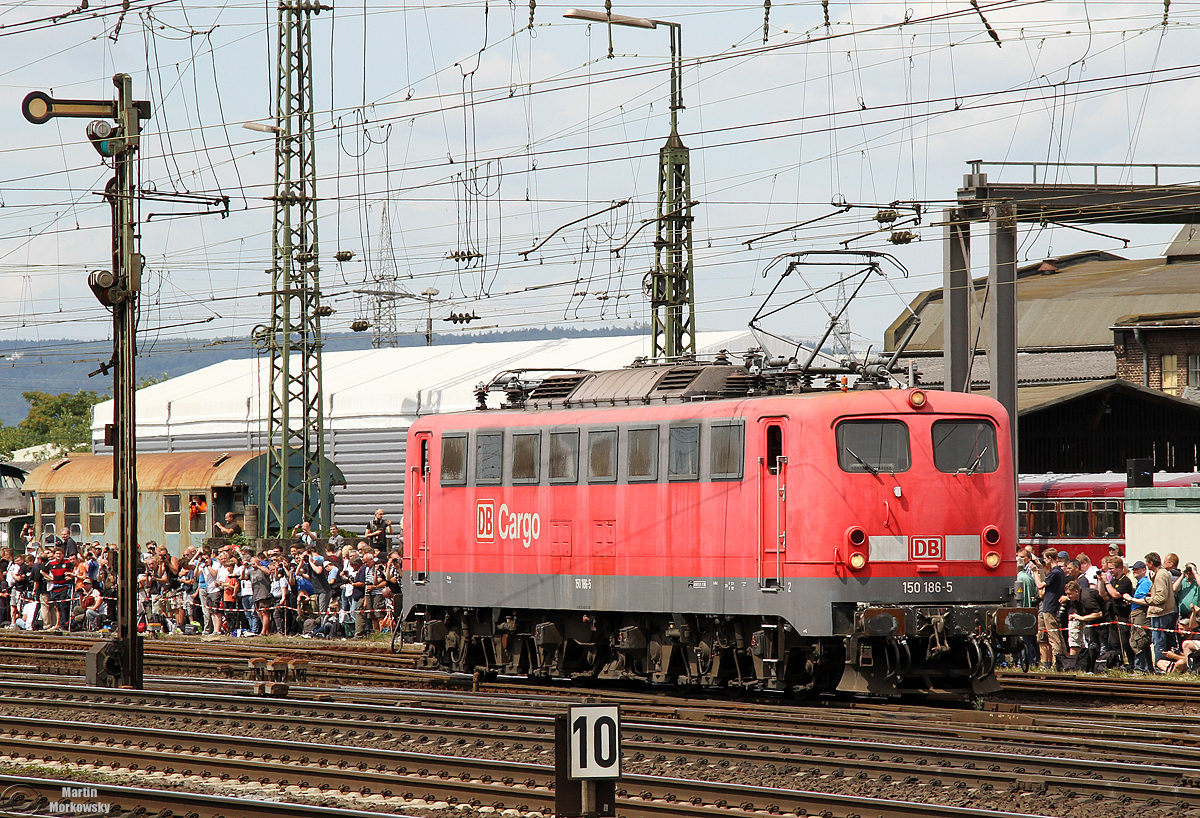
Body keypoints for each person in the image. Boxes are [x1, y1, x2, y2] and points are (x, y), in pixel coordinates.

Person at [1034, 548, 1067, 668]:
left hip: (1050, 607)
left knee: (1053, 637)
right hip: (1048, 606)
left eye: (1045, 559)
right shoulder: (1057, 572)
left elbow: (1040, 585)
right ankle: (1050, 663)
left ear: (1049, 558)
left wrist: (1034, 573)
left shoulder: (1055, 572)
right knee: (1046, 636)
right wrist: (1040, 569)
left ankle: (1057, 663)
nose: (1044, 561)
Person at [1145, 551, 1178, 664]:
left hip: (1160, 612)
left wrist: (1147, 600)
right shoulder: (1164, 573)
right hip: (1168, 611)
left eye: (1147, 563)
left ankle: (1161, 665)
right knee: (1167, 639)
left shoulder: (1160, 575)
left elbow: (1161, 597)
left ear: (1150, 563)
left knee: (1159, 640)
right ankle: (1170, 663)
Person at [1124, 560, 1154, 671]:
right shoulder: (1140, 583)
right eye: (1133, 569)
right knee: (1139, 640)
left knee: (1139, 640)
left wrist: (1130, 599)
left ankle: (1141, 668)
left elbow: (1145, 599)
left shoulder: (1145, 583)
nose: (1134, 571)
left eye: (1137, 569)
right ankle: (1146, 667)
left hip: (1140, 614)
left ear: (1144, 570)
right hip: (1136, 613)